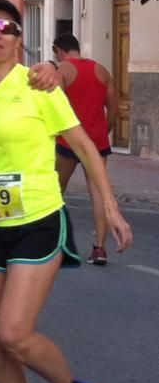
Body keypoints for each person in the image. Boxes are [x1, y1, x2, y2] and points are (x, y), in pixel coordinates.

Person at [0, 0, 132, 383]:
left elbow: (82, 145)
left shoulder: (40, 84)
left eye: (7, 27)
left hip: (38, 216)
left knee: (14, 332)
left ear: (20, 41)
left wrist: (110, 207)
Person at [52, 33, 119, 266]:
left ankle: (53, 242)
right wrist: (104, 130)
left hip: (67, 142)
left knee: (56, 192)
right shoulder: (101, 70)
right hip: (97, 142)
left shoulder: (62, 70)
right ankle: (100, 248)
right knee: (98, 195)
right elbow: (113, 107)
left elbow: (54, 107)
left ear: (58, 50)